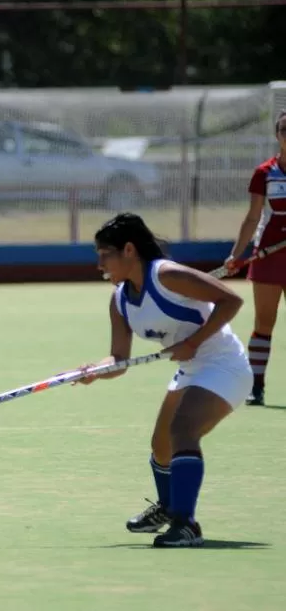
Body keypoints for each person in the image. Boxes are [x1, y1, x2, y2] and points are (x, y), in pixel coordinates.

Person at [77, 213, 249, 547]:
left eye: (104, 255)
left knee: (182, 431)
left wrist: (193, 343)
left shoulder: (167, 275)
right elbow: (119, 359)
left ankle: (186, 524)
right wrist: (94, 370)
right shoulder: (120, 300)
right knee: (161, 445)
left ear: (129, 250)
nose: (99, 265)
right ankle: (170, 507)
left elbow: (232, 300)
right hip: (190, 368)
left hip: (224, 363)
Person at [225, 109, 286, 406]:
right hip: (268, 255)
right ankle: (256, 386)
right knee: (265, 321)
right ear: (277, 135)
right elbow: (252, 218)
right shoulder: (264, 173)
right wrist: (235, 255)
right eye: (285, 130)